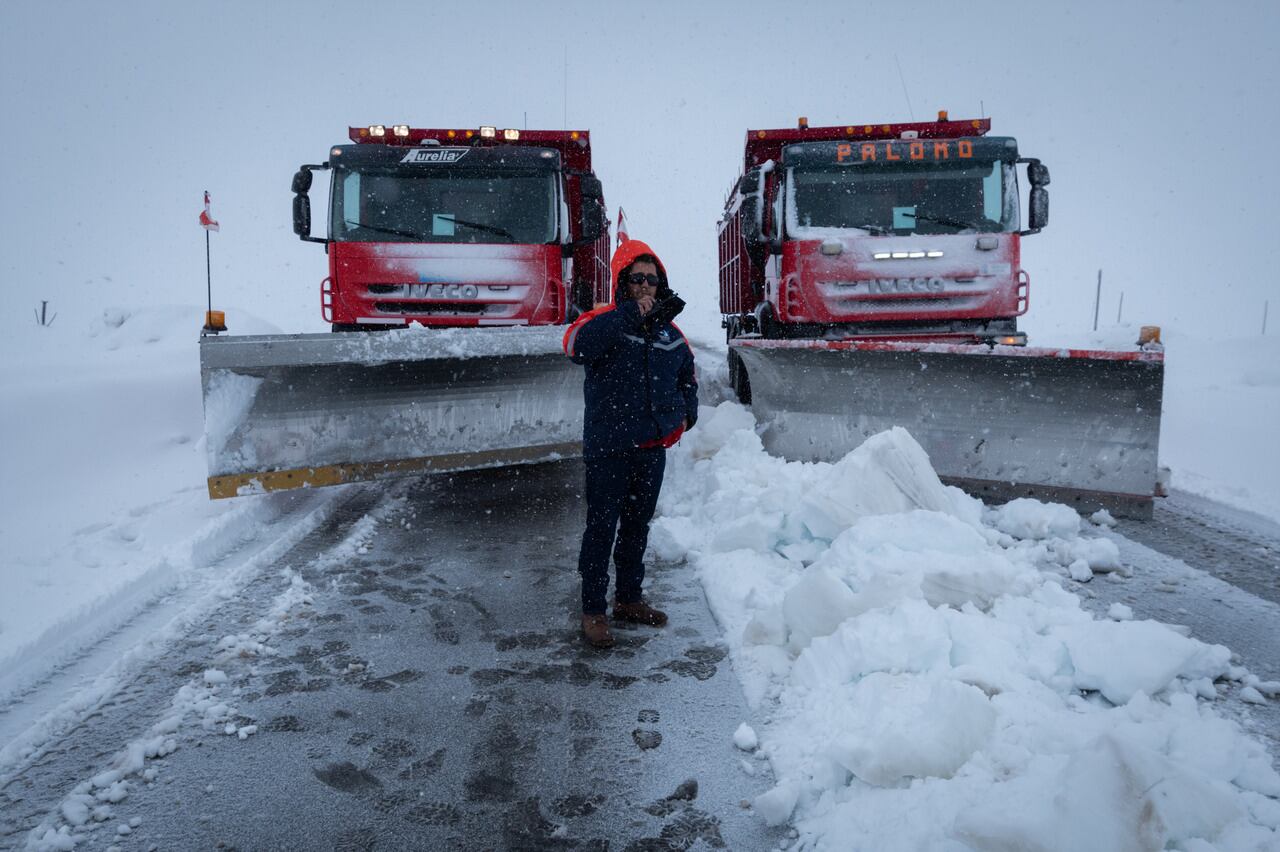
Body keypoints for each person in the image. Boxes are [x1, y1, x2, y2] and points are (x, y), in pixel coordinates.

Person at [562, 236, 698, 648]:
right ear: (622, 281)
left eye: (651, 280)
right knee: (601, 529)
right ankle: (593, 610)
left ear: (661, 285)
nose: (644, 286)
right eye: (636, 278)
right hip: (608, 449)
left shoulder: (670, 334)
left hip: (649, 450)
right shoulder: (603, 322)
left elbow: (686, 378)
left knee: (637, 527)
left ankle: (628, 600)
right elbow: (575, 346)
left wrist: (685, 416)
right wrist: (624, 316)